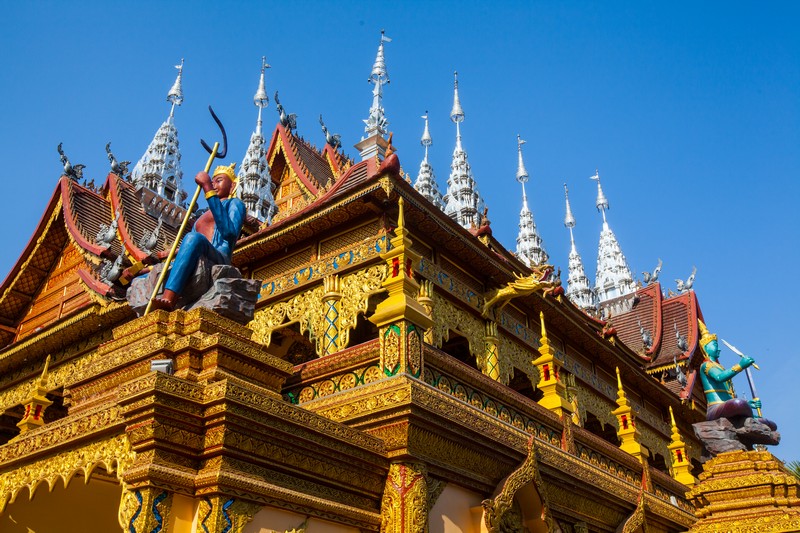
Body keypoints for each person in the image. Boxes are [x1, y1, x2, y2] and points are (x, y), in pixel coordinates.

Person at [150, 162, 246, 311]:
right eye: (212, 181)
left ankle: (170, 297)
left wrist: (207, 187)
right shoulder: (202, 216)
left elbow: (229, 232)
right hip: (199, 251)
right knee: (150, 273)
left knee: (193, 237)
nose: (214, 184)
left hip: (219, 255)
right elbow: (187, 248)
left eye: (219, 181)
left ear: (232, 186)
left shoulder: (234, 204)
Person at [698, 319, 774, 429]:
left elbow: (729, 395)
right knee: (738, 404)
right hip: (715, 408)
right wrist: (740, 366)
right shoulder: (706, 365)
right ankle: (747, 415)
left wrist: (748, 403)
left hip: (726, 406)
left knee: (765, 422)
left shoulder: (719, 367)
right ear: (706, 347)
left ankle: (750, 416)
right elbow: (720, 378)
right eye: (715, 345)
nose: (719, 349)